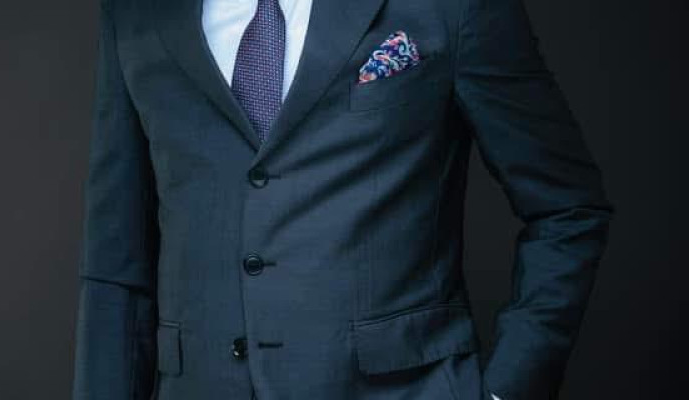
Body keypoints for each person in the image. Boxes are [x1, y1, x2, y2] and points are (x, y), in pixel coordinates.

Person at [71, 0, 614, 399]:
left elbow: (567, 207)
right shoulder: (136, 13)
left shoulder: (450, 6)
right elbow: (117, 265)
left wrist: (507, 390)